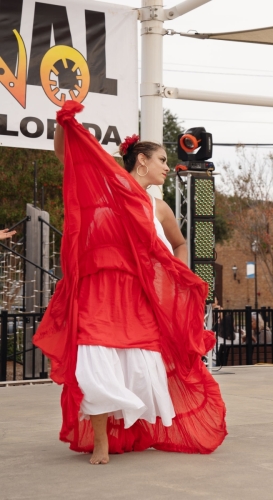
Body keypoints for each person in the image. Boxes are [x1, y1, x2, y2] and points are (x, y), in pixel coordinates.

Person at [33, 101, 226, 465]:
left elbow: (180, 243)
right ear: (142, 161)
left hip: (139, 296)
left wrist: (178, 275)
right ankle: (102, 441)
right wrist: (64, 122)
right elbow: (66, 154)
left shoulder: (160, 208)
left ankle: (132, 431)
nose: (168, 167)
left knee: (136, 368)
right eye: (163, 160)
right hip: (100, 289)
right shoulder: (107, 188)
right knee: (97, 364)